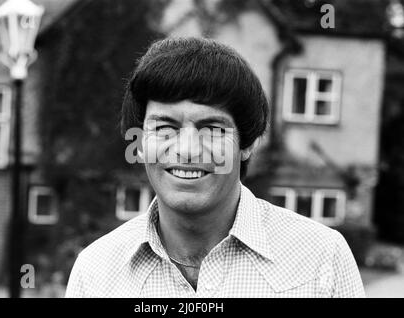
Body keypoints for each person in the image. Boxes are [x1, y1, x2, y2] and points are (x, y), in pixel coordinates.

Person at [65, 37, 365, 298]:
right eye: (165, 127)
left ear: (247, 144)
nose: (187, 150)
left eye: (212, 128)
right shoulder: (96, 273)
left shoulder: (321, 258)